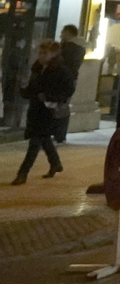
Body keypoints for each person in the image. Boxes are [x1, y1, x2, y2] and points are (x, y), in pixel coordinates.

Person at [10, 40, 73, 184]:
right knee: (43, 138)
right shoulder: (37, 68)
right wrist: (24, 91)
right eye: (40, 52)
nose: (41, 55)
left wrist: (50, 97)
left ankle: (23, 173)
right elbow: (33, 87)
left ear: (54, 54)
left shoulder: (61, 71)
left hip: (49, 110)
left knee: (35, 142)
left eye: (45, 53)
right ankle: (55, 163)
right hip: (36, 108)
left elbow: (67, 90)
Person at [54, 25, 86, 143]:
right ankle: (59, 134)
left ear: (68, 33)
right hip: (70, 79)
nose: (61, 34)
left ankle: (59, 134)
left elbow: (66, 65)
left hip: (64, 79)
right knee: (62, 105)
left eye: (62, 31)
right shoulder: (77, 47)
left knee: (61, 105)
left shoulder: (70, 48)